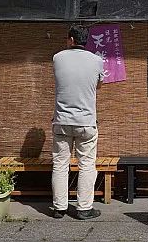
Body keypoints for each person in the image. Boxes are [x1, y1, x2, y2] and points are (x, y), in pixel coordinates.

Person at [51, 25, 104, 220]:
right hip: (86, 122)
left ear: (71, 40)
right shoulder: (97, 61)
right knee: (87, 165)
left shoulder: (58, 58)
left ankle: (59, 208)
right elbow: (99, 85)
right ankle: (84, 208)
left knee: (60, 164)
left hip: (62, 121)